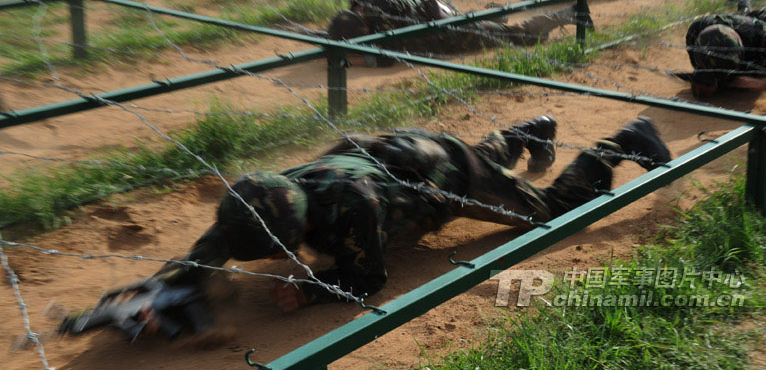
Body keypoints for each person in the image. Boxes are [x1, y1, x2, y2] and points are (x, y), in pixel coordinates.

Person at [62, 116, 671, 337]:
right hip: (397, 156)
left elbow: (369, 276)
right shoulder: (262, 196)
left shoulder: (350, 208)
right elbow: (208, 253)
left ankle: (618, 143)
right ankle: (522, 135)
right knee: (478, 161)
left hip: (441, 179)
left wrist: (308, 287)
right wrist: (152, 295)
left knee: (545, 215)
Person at [313, 0, 592, 67]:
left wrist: (357, 58)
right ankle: (493, 16)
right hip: (437, 9)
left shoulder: (380, 17)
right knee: (485, 25)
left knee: (513, 36)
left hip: (447, 35)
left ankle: (568, 12)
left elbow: (389, 58)